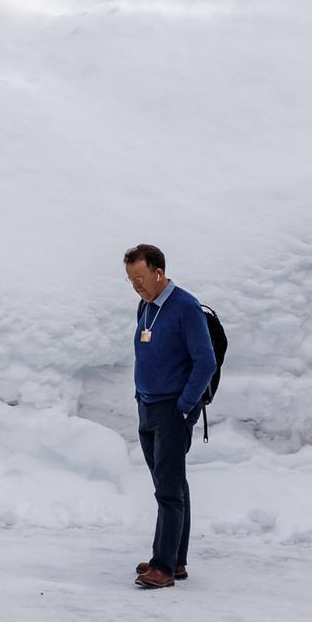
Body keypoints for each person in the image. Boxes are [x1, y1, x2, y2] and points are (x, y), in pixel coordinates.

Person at [123, 244, 217, 590]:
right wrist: (140, 395)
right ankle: (176, 560)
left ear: (159, 272)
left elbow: (205, 362)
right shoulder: (145, 307)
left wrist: (184, 406)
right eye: (131, 280)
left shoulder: (185, 307)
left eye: (141, 278)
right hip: (148, 405)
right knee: (172, 483)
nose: (137, 286)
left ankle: (163, 566)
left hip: (172, 410)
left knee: (168, 490)